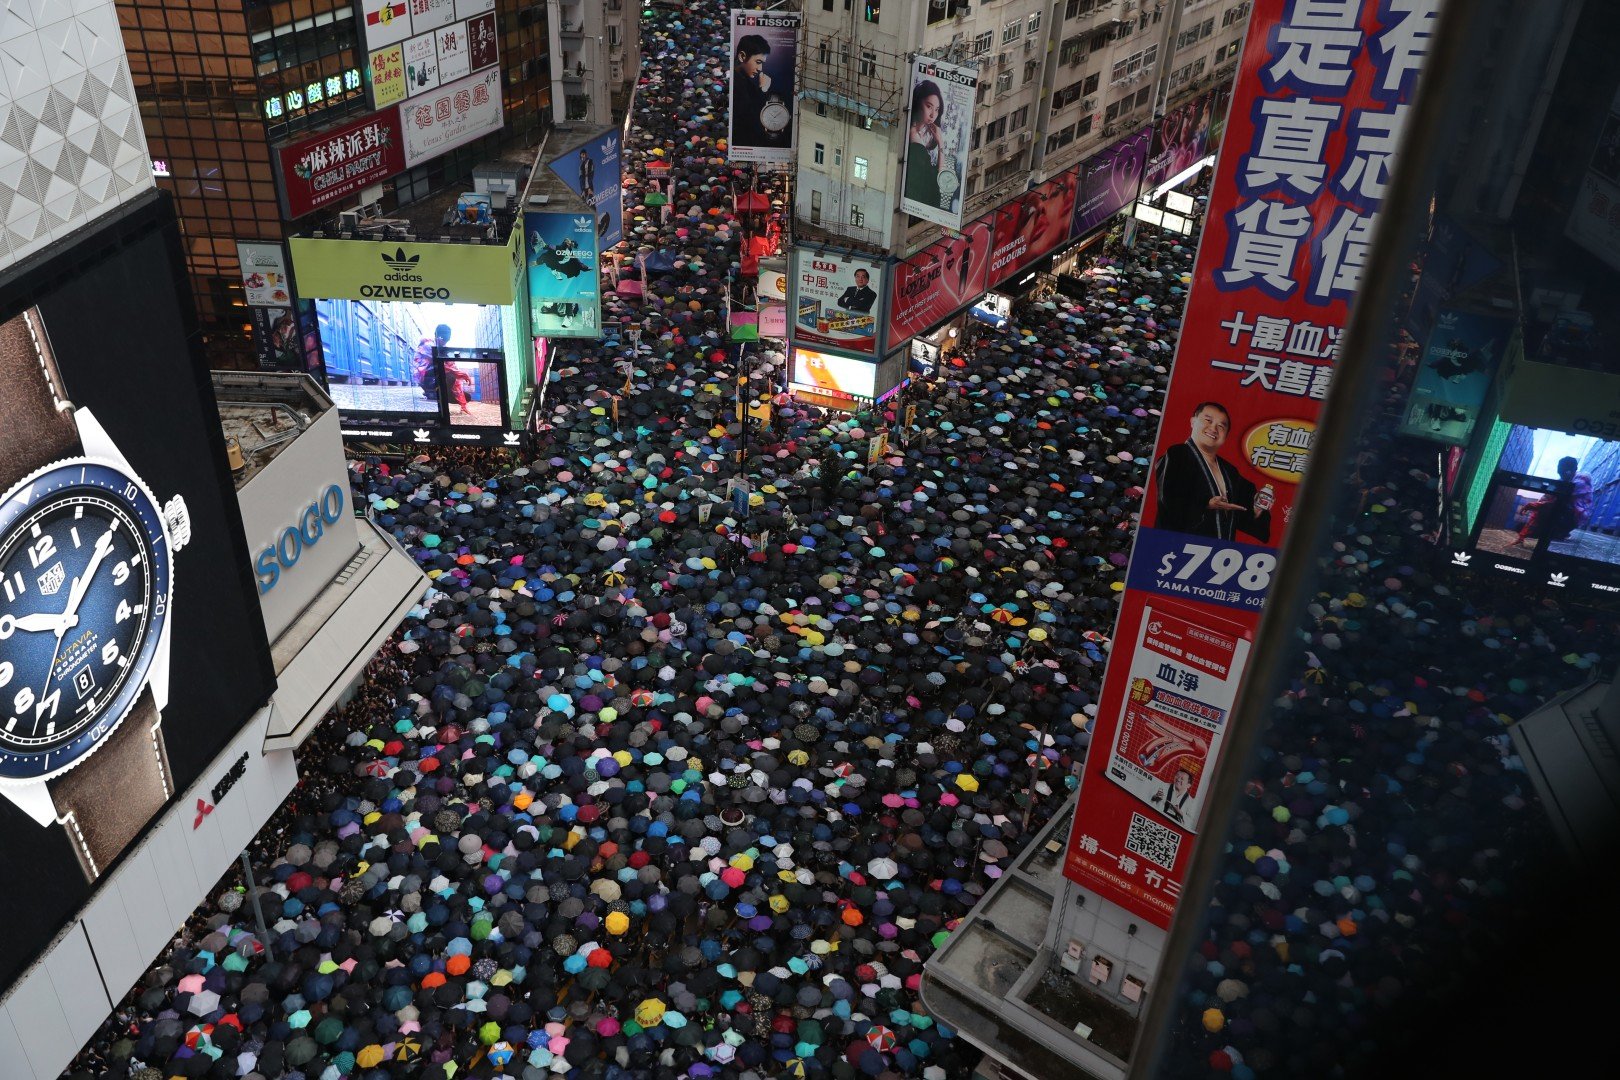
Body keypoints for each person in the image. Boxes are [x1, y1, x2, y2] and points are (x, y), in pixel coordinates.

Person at [1151, 401, 1272, 542]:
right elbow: (1169, 500)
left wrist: (1257, 509)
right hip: (1176, 546)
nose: (1214, 428)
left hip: (1218, 554)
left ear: (1226, 436)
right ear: (1193, 421)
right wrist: (1206, 504)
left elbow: (1242, 518)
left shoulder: (1230, 471)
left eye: (1221, 426)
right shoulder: (1177, 454)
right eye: (1208, 420)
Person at [1512, 455, 1605, 546]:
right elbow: (1546, 498)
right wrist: (1523, 533)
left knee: (1550, 510)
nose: (1562, 476)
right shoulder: (1563, 479)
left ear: (1574, 470)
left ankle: (1562, 531)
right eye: (1560, 473)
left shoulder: (1582, 479)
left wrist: (1535, 505)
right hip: (1561, 511)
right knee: (1524, 528)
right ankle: (1559, 532)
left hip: (1573, 516)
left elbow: (1557, 502)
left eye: (1565, 473)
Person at [731, 35, 784, 149]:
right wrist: (763, 89)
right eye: (758, 62)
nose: (760, 68)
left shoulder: (744, 80)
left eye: (762, 63)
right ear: (742, 56)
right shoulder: (736, 82)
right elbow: (751, 118)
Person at [904, 80, 948, 211]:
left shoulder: (917, 133)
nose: (933, 115)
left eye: (937, 109)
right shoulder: (915, 140)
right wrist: (940, 143)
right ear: (918, 103)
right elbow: (938, 179)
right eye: (929, 106)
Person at [413, 323, 452, 399]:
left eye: (447, 340)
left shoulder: (441, 346)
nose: (445, 343)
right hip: (424, 373)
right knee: (448, 373)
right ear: (438, 337)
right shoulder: (428, 345)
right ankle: (430, 391)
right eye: (444, 340)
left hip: (431, 370)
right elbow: (438, 361)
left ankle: (434, 391)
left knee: (450, 374)